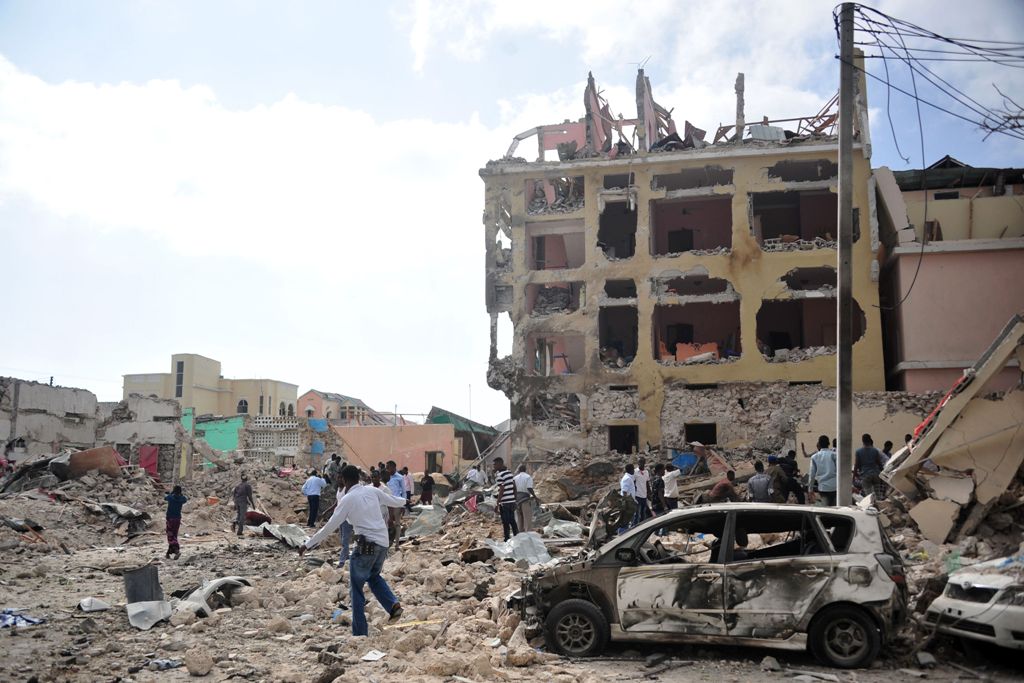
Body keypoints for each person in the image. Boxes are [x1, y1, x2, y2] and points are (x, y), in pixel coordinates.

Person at [299, 465, 405, 636]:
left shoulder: (347, 500)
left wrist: (308, 544)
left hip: (365, 547)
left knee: (356, 588)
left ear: (343, 479)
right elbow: (394, 501)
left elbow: (329, 526)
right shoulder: (372, 491)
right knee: (373, 577)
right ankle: (393, 605)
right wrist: (407, 503)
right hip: (383, 544)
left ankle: (360, 632)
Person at [809, 435, 838, 506]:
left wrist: (810, 489)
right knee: (836, 510)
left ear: (819, 444)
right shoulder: (834, 455)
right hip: (835, 486)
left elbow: (812, 475)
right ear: (828, 444)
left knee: (825, 510)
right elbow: (839, 471)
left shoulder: (814, 457)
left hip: (823, 488)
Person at [494, 457, 518, 541]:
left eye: (495, 464)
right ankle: (516, 537)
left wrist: (497, 503)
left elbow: (502, 489)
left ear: (500, 464)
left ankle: (507, 539)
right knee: (512, 521)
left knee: (505, 522)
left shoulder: (499, 475)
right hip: (511, 501)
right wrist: (515, 500)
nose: (494, 466)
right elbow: (514, 487)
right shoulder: (510, 473)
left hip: (505, 503)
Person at [855, 434, 885, 499]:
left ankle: (872, 507)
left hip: (865, 475)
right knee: (877, 494)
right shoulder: (875, 451)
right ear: (870, 440)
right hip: (875, 474)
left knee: (868, 496)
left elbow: (857, 465)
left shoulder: (858, 451)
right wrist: (883, 473)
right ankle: (879, 505)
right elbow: (879, 463)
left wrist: (855, 475)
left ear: (862, 441)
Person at [384, 461, 405, 546]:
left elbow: (403, 492)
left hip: (396, 504)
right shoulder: (385, 477)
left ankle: (396, 544)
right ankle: (387, 543)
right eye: (386, 467)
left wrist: (403, 505)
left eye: (388, 467)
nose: (387, 469)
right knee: (386, 523)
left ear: (393, 467)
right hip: (387, 504)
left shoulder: (400, 478)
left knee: (397, 524)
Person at [165, 484, 187, 559]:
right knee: (174, 534)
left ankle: (177, 550)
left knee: (170, 535)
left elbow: (165, 497)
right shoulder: (182, 498)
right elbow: (185, 499)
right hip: (177, 519)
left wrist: (171, 493)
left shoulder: (170, 497)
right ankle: (168, 553)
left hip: (170, 518)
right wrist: (180, 494)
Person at [512, 464, 536, 532]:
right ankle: (528, 534)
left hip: (517, 500)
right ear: (525, 470)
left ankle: (520, 533)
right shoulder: (528, 477)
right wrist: (535, 497)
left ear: (519, 470)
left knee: (519, 519)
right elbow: (529, 488)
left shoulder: (515, 478)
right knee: (527, 518)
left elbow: (513, 489)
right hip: (525, 499)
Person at [619, 464, 636, 534]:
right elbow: (624, 491)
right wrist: (625, 504)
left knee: (629, 520)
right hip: (627, 502)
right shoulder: (627, 479)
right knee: (626, 520)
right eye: (633, 469)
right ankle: (622, 535)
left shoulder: (628, 478)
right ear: (631, 470)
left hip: (629, 501)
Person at [633, 458, 651, 525]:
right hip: (637, 495)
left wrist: (649, 493)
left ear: (644, 463)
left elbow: (647, 483)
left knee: (643, 513)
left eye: (642, 462)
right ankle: (634, 528)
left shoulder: (646, 472)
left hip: (644, 495)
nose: (640, 464)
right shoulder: (635, 472)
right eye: (639, 462)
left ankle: (641, 527)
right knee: (636, 514)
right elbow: (633, 482)